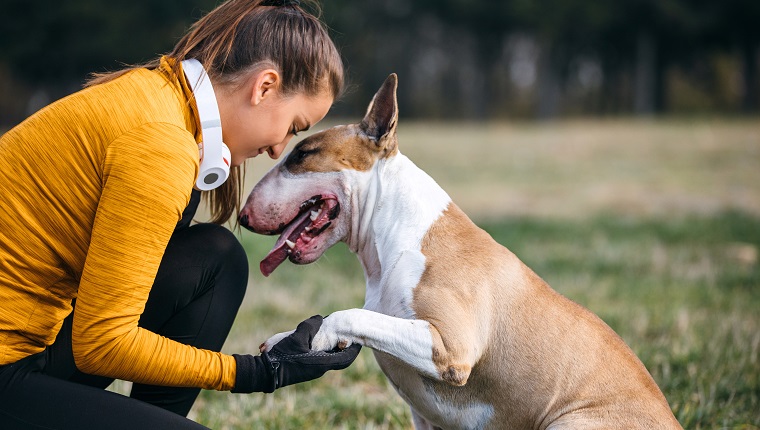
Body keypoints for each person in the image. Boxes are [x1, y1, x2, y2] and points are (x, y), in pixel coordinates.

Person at [0, 0, 361, 428]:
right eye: (293, 126)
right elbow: (102, 343)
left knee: (217, 258)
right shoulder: (161, 147)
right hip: (11, 363)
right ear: (264, 87)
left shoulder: (156, 95)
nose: (278, 148)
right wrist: (256, 372)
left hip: (37, 342)